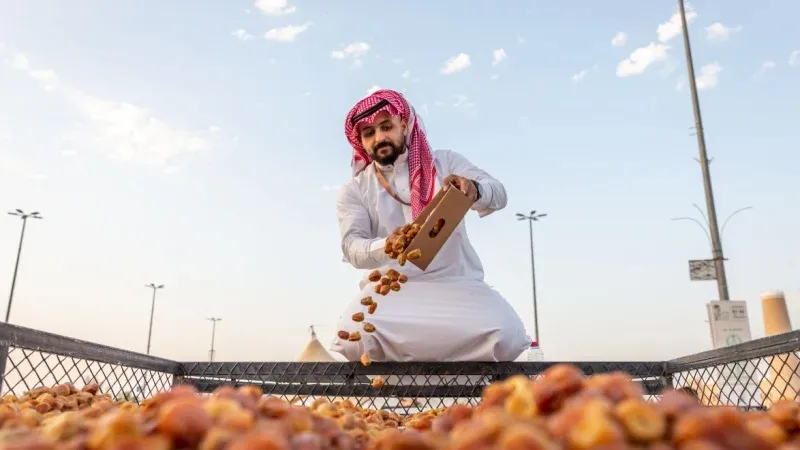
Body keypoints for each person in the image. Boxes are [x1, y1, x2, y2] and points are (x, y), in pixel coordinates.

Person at [330, 89, 530, 362]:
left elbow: (500, 194)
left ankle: (470, 394)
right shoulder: (354, 190)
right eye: (369, 134)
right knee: (353, 337)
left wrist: (475, 190)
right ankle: (396, 393)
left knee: (507, 335)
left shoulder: (445, 163)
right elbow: (353, 247)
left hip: (457, 283)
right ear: (360, 143)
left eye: (386, 127)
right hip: (392, 290)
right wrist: (387, 245)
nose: (379, 138)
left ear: (404, 124)